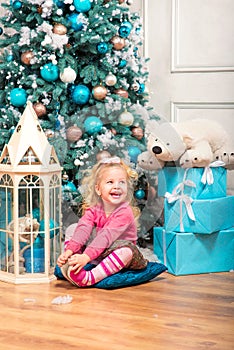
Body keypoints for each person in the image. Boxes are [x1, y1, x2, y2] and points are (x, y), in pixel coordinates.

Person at [57, 156, 148, 287]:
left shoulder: (124, 212)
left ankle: (91, 277)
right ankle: (73, 263)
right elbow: (83, 229)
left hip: (120, 254)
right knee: (74, 227)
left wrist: (86, 257)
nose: (117, 186)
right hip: (99, 253)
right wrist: (70, 251)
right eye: (110, 182)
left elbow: (105, 237)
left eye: (122, 182)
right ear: (98, 189)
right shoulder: (94, 209)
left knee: (125, 252)